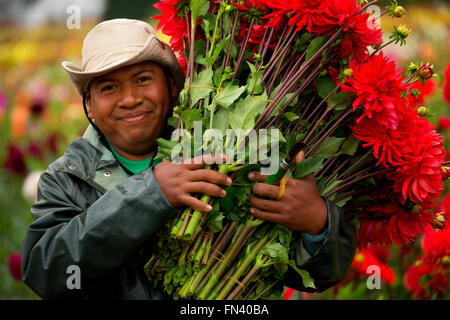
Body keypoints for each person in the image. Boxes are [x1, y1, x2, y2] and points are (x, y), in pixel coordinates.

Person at [21, 18, 356, 299]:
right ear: (89, 104)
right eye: (108, 88)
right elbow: (47, 271)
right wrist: (151, 194)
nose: (130, 99)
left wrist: (318, 225)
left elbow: (309, 275)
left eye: (142, 80)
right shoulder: (67, 178)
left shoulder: (224, 151)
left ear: (170, 87)